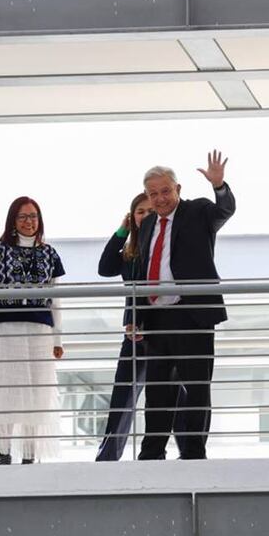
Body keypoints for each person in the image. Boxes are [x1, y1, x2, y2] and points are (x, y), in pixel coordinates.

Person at [134, 151, 235, 460]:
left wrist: (219, 186)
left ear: (177, 189)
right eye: (154, 194)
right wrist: (134, 316)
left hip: (192, 316)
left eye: (166, 191)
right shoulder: (149, 223)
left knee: (196, 387)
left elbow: (225, 210)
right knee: (157, 392)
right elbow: (140, 270)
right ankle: (152, 452)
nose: (161, 198)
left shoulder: (198, 211)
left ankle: (193, 453)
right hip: (157, 318)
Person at [0, 196, 66, 464]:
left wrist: (58, 338)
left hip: (39, 330)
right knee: (3, 390)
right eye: (23, 217)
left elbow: (57, 299)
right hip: (3, 329)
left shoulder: (50, 253)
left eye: (33, 216)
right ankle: (4, 453)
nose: (29, 222)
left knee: (36, 394)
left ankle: (29, 457)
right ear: (13, 221)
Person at [95, 193, 187, 461]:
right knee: (124, 391)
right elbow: (104, 267)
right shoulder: (131, 251)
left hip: (164, 328)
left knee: (174, 393)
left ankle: (188, 450)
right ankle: (109, 454)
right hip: (135, 331)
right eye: (139, 212)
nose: (145, 215)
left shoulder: (166, 245)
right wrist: (122, 230)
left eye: (149, 211)